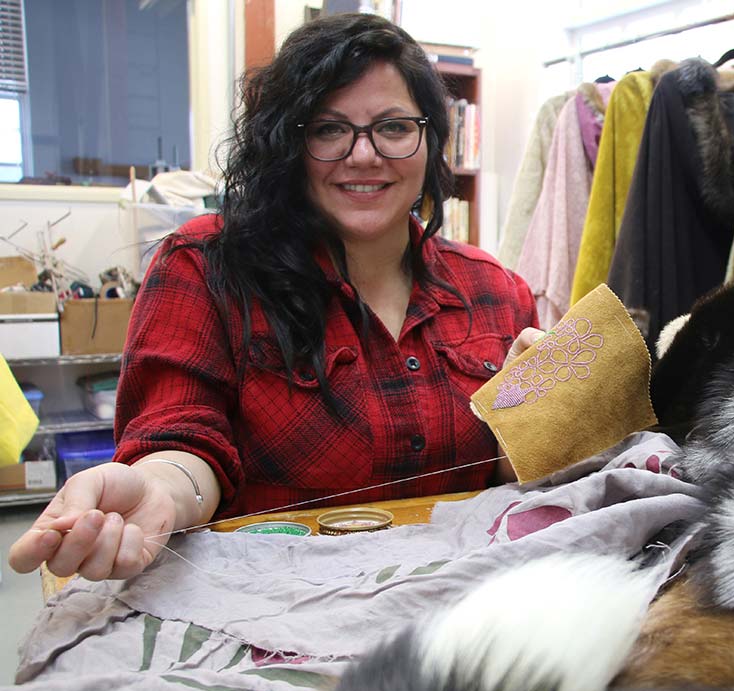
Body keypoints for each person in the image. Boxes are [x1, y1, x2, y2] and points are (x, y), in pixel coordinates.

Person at [8, 13, 543, 582]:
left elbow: (518, 481)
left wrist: (539, 434)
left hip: (464, 607)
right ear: (287, 143)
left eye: (393, 126)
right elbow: (184, 436)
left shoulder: (494, 290)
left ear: (432, 139)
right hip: (275, 611)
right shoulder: (207, 267)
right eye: (328, 128)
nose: (363, 155)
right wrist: (160, 490)